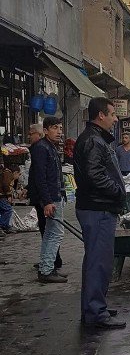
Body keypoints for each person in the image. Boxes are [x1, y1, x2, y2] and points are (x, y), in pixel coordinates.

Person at [74, 97, 126, 330]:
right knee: (99, 262)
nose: (115, 119)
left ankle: (95, 306)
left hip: (98, 207)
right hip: (98, 209)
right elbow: (94, 175)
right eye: (113, 114)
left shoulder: (95, 138)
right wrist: (117, 191)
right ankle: (95, 312)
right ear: (101, 115)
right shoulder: (93, 141)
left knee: (96, 260)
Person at [28, 116, 67, 283]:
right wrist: (47, 201)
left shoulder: (50, 147)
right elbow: (40, 178)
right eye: (54, 128)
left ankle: (47, 267)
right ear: (45, 130)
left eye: (60, 128)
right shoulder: (41, 148)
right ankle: (46, 270)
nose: (59, 131)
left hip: (55, 195)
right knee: (55, 233)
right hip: (50, 198)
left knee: (51, 233)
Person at [0, 161, 18, 238]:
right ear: (16, 172)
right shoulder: (8, 174)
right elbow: (5, 185)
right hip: (2, 196)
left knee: (3, 210)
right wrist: (9, 195)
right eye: (19, 174)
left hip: (2, 195)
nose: (18, 176)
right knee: (8, 210)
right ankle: (3, 226)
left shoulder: (6, 172)